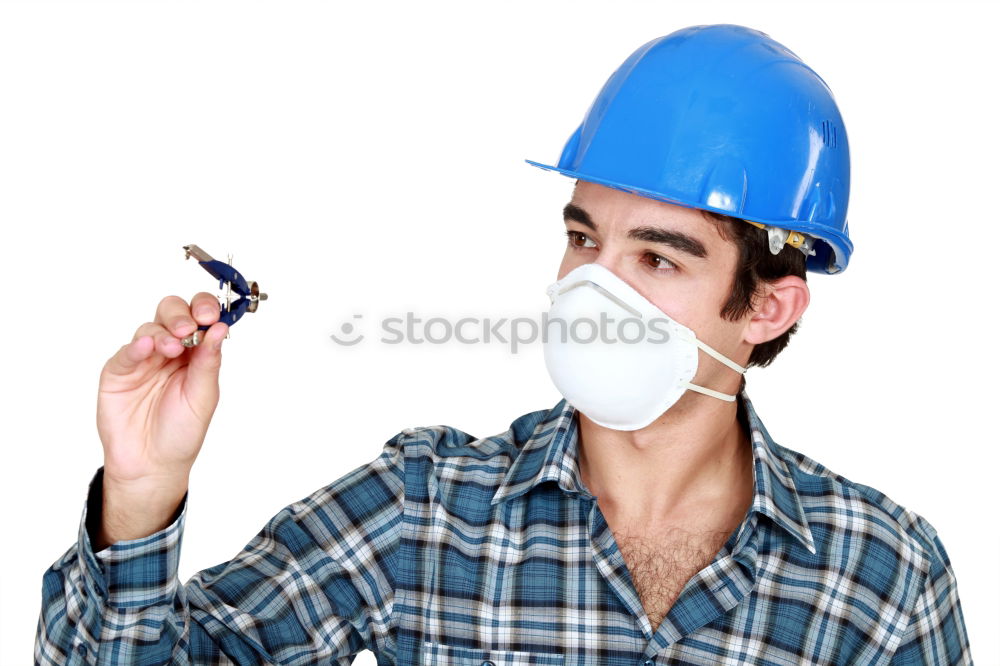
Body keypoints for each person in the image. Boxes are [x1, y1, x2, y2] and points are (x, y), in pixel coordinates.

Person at [35, 24, 973, 665]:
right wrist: (139, 495)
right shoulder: (424, 509)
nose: (594, 288)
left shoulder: (881, 575)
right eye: (583, 238)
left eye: (658, 258)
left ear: (767, 307)